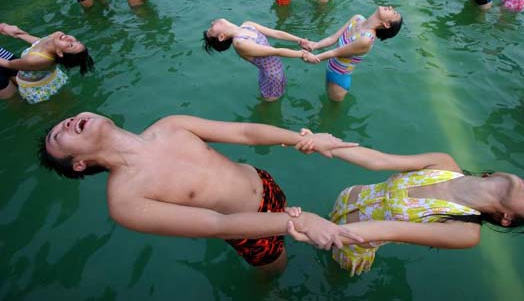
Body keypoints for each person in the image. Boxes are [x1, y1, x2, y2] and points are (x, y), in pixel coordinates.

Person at [39, 112, 364, 272]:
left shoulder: (170, 125)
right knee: (276, 269)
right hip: (248, 229)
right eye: (58, 135)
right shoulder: (126, 200)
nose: (67, 123)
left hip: (264, 183)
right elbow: (215, 225)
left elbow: (245, 132)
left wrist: (303, 139)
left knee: (295, 219)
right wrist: (298, 222)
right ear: (78, 164)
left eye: (66, 120)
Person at [287, 145, 524, 276]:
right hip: (347, 197)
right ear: (491, 174)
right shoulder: (444, 162)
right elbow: (379, 160)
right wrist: (324, 143)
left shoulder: (465, 232)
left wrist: (320, 229)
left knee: (333, 269)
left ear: (506, 218)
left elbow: (391, 230)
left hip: (352, 240)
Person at [300, 6, 403, 102]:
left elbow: (336, 52)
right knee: (326, 101)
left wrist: (314, 58)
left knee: (331, 111)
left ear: (387, 24)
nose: (390, 7)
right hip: (330, 69)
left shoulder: (366, 40)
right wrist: (314, 45)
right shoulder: (357, 18)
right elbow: (333, 38)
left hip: (339, 78)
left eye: (394, 12)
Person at [203, 19, 320, 102]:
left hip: (275, 70)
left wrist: (299, 40)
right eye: (211, 29)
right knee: (271, 102)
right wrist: (303, 54)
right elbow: (276, 51)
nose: (212, 23)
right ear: (221, 36)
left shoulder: (247, 24)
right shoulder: (240, 43)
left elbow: (276, 33)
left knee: (276, 95)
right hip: (272, 76)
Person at [0, 26, 94, 104]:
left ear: (59, 52)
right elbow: (38, 43)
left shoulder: (36, 60)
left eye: (70, 45)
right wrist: (18, 34)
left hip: (38, 86)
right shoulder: (54, 40)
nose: (70, 39)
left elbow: (8, 64)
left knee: (48, 105)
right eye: (76, 41)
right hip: (44, 76)